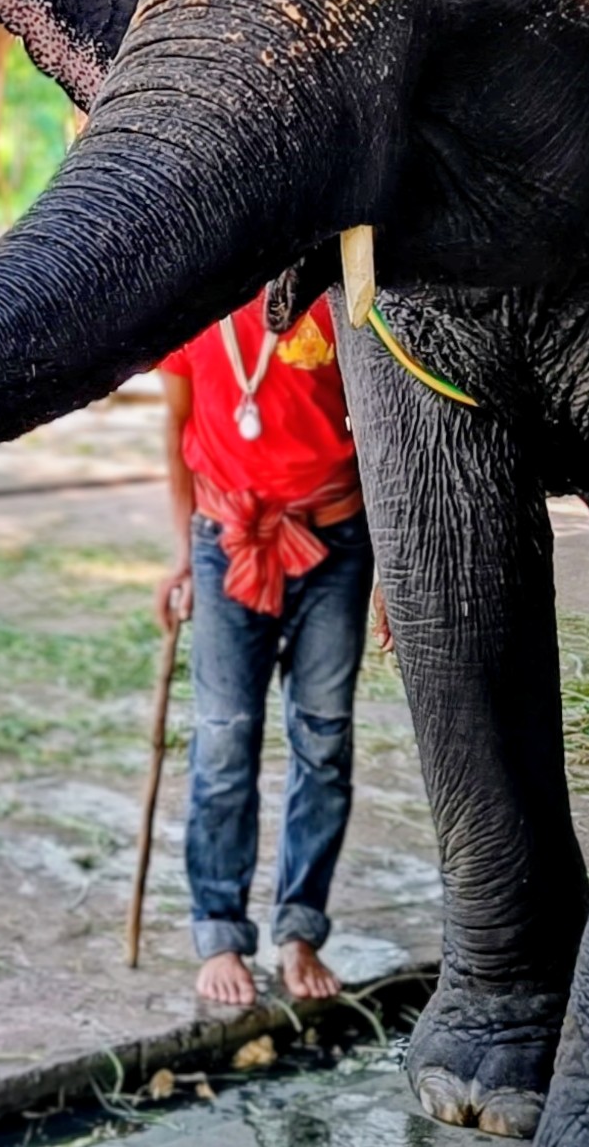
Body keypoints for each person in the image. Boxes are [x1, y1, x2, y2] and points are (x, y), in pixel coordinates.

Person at [153, 293, 373, 1006]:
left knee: (324, 740)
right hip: (226, 540)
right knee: (222, 740)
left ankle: (299, 929)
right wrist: (182, 555)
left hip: (335, 542)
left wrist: (393, 580)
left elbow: (381, 433)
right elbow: (177, 425)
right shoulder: (193, 299)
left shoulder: (340, 295)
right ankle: (219, 929)